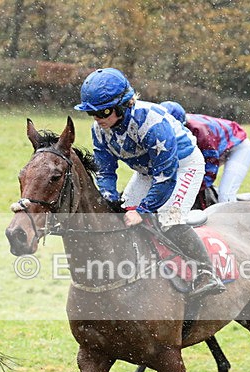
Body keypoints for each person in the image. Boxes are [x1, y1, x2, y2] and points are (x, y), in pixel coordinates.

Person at [74, 68, 225, 297]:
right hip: (147, 172)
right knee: (120, 217)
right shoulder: (100, 130)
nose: (97, 118)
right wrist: (109, 199)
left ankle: (206, 272)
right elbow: (105, 171)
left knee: (168, 219)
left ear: (122, 106)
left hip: (182, 167)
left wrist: (143, 210)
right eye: (91, 113)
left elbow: (166, 176)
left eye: (103, 112)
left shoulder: (151, 123)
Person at [160, 101, 250, 203]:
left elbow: (209, 170)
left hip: (238, 147)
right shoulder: (175, 122)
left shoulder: (200, 133)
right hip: (217, 145)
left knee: (225, 195)